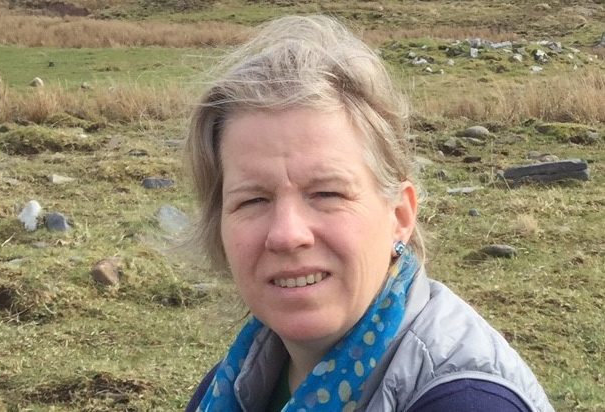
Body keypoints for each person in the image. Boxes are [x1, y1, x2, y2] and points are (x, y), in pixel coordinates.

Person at [183, 15, 554, 412]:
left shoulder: (468, 401)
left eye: (326, 193)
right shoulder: (233, 382)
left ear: (400, 215)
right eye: (253, 200)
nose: (288, 234)